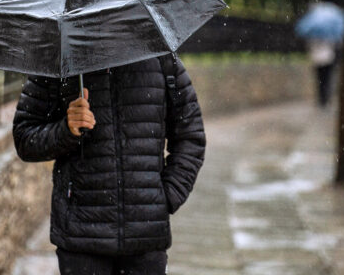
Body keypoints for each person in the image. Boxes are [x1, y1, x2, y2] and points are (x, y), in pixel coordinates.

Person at [13, 55, 205, 275]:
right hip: (81, 236)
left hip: (145, 239)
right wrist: (67, 129)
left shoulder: (161, 59)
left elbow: (191, 137)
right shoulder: (59, 61)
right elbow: (24, 138)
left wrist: (166, 196)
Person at [306, 38, 339, 107]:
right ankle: (326, 97)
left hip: (317, 60)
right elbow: (333, 46)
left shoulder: (313, 37)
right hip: (327, 60)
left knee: (320, 80)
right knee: (326, 80)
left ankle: (322, 98)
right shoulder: (329, 36)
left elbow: (310, 47)